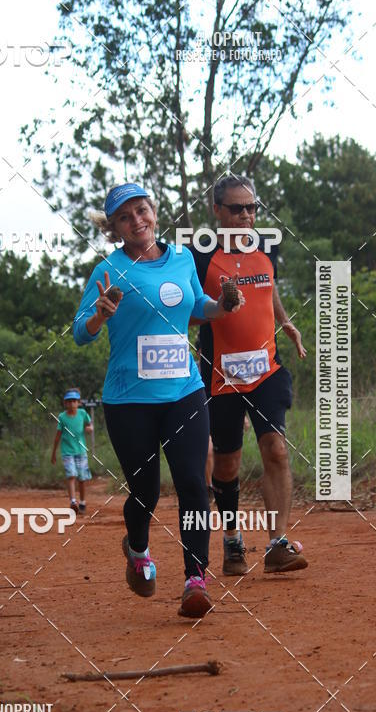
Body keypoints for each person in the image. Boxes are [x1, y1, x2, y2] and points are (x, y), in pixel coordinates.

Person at [73, 182, 244, 618]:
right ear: (114, 229)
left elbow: (197, 308)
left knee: (192, 482)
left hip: (183, 391)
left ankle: (195, 580)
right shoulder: (106, 271)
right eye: (125, 217)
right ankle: (137, 548)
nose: (137, 221)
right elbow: (79, 333)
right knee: (145, 491)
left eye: (142, 210)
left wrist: (223, 305)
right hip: (129, 399)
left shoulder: (183, 258)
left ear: (154, 211)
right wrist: (99, 315)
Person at [191, 174, 307, 576]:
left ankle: (277, 545)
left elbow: (268, 285)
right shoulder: (199, 256)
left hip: (267, 370)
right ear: (217, 210)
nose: (246, 215)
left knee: (275, 448)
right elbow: (189, 307)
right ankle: (232, 538)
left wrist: (286, 321)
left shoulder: (267, 247)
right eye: (237, 208)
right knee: (227, 466)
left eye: (252, 208)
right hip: (220, 376)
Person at [51, 389, 93, 514]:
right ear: (65, 403)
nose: (71, 404)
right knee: (71, 475)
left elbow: (90, 424)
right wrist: (53, 453)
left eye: (74, 401)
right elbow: (58, 436)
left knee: (82, 478)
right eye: (69, 401)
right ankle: (73, 501)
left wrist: (90, 428)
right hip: (67, 452)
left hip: (81, 451)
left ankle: (83, 502)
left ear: (78, 402)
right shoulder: (62, 417)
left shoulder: (82, 413)